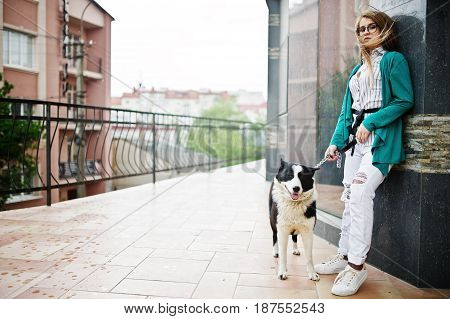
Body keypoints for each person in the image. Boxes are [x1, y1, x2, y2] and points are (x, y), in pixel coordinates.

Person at [314, 10, 414, 296]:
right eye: (360, 29)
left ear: (383, 30)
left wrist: (371, 122)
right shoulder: (357, 71)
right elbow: (347, 114)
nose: (365, 32)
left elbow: (404, 100)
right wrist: (335, 143)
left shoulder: (393, 60)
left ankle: (356, 267)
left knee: (359, 194)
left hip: (380, 142)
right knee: (349, 197)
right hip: (356, 145)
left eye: (372, 27)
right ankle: (344, 255)